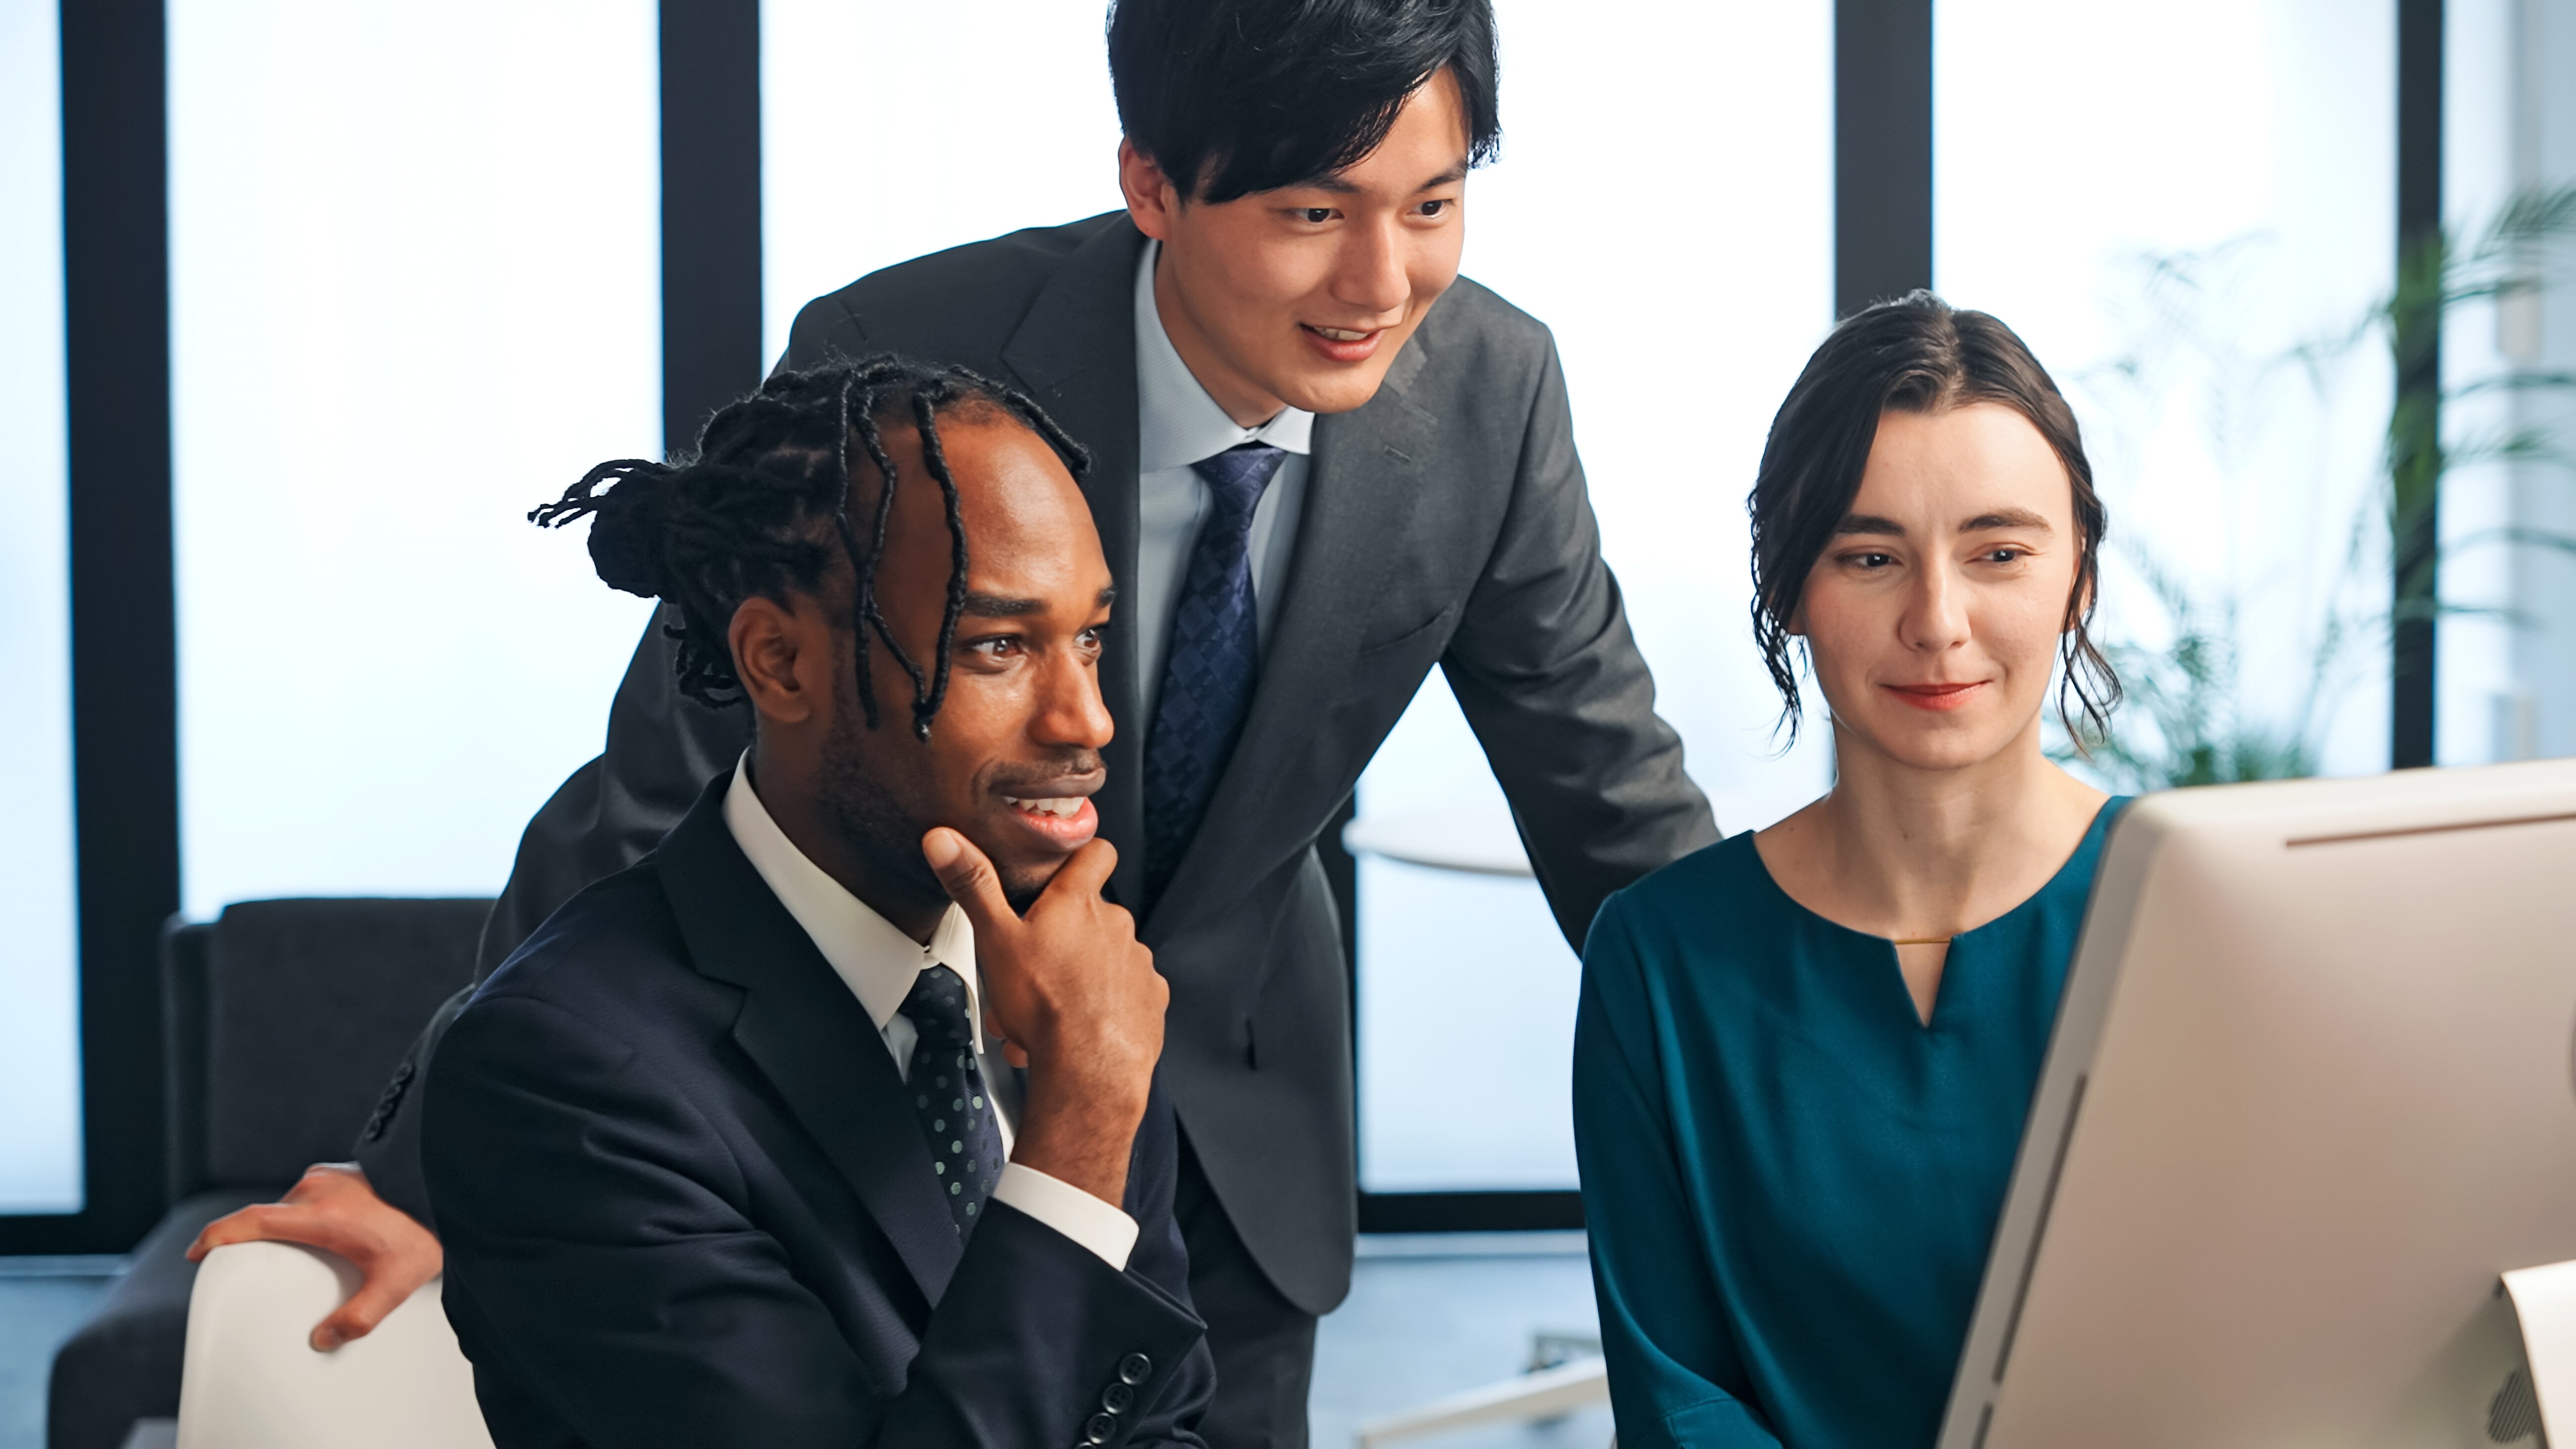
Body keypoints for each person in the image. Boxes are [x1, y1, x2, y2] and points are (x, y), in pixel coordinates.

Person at [193, 1, 1717, 1442]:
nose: (1382, 281)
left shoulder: (1490, 390)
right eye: (1315, 212)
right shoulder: (915, 357)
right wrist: (420, 1155)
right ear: (1153, 183)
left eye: (1434, 205)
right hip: (871, 1099)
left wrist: (1810, 1068)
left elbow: (1605, 786)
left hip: (1232, 1124)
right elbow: (661, 770)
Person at [423, 355, 1215, 1446]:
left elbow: (1158, 1423)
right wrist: (1078, 1131)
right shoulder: (566, 1074)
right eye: (998, 646)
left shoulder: (1067, 968)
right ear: (780, 661)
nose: (1085, 721)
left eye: (1087, 636)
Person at [1572, 294, 2130, 1449]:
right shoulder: (1662, 961)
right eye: (1869, 555)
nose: (1937, 619)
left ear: (2076, 574)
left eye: (1998, 552)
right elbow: (1677, 1398)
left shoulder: (2196, 920)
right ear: (1786, 590)